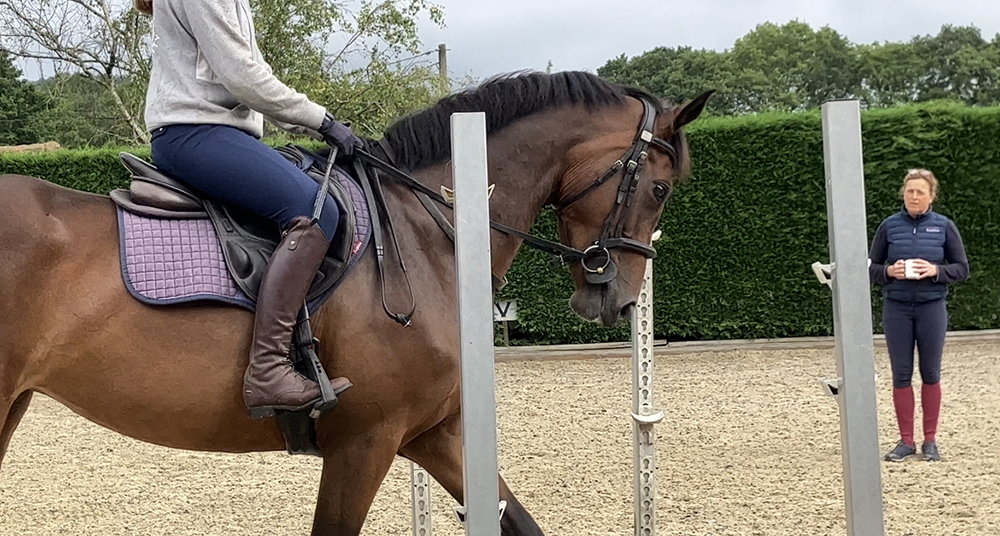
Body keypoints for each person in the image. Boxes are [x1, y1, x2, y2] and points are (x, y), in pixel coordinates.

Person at [134, 0, 357, 418]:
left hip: (212, 131)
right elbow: (242, 76)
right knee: (316, 208)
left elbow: (245, 77)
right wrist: (321, 120)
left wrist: (311, 123)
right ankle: (269, 369)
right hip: (196, 132)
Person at [868, 168, 970, 462]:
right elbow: (870, 268)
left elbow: (962, 268)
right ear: (904, 193)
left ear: (931, 196)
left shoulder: (944, 226)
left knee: (931, 373)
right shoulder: (889, 226)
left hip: (931, 308)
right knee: (901, 374)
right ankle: (905, 441)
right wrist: (888, 271)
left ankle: (930, 441)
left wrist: (936, 270)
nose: (914, 196)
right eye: (910, 191)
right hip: (897, 308)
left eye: (920, 192)